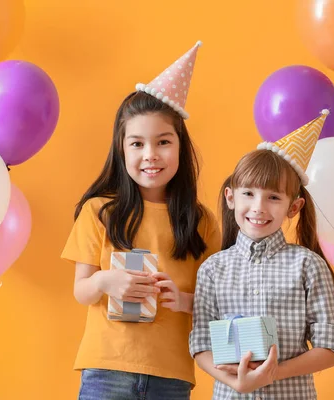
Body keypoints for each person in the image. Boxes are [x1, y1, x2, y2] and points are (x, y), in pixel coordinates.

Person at [61, 41, 221, 400]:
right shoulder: (99, 211)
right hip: (106, 370)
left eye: (163, 142)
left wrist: (181, 299)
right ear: (121, 149)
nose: (151, 155)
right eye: (137, 144)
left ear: (181, 146)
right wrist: (106, 280)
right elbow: (82, 290)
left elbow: (217, 302)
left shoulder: (201, 221)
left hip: (173, 375)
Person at [189, 110, 334, 399]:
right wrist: (238, 381)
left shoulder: (307, 265)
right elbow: (201, 345)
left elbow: (333, 347)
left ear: (294, 207)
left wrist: (273, 372)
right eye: (248, 194)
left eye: (273, 197)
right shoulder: (212, 269)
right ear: (230, 197)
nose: (259, 207)